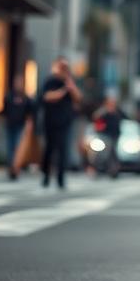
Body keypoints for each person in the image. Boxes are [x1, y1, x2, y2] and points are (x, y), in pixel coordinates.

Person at [40, 57, 82, 189]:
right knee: (49, 149)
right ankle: (46, 175)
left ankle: (61, 179)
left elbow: (78, 98)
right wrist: (64, 90)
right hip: (50, 121)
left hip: (65, 122)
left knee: (63, 151)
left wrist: (70, 85)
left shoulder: (69, 83)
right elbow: (48, 97)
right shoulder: (50, 81)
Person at [2, 74, 36, 180]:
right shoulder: (8, 96)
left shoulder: (27, 99)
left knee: (18, 147)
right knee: (9, 147)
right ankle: (11, 167)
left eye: (20, 82)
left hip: (21, 125)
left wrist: (29, 126)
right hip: (10, 125)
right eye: (17, 82)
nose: (18, 85)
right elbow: (5, 111)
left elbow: (30, 114)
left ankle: (15, 168)